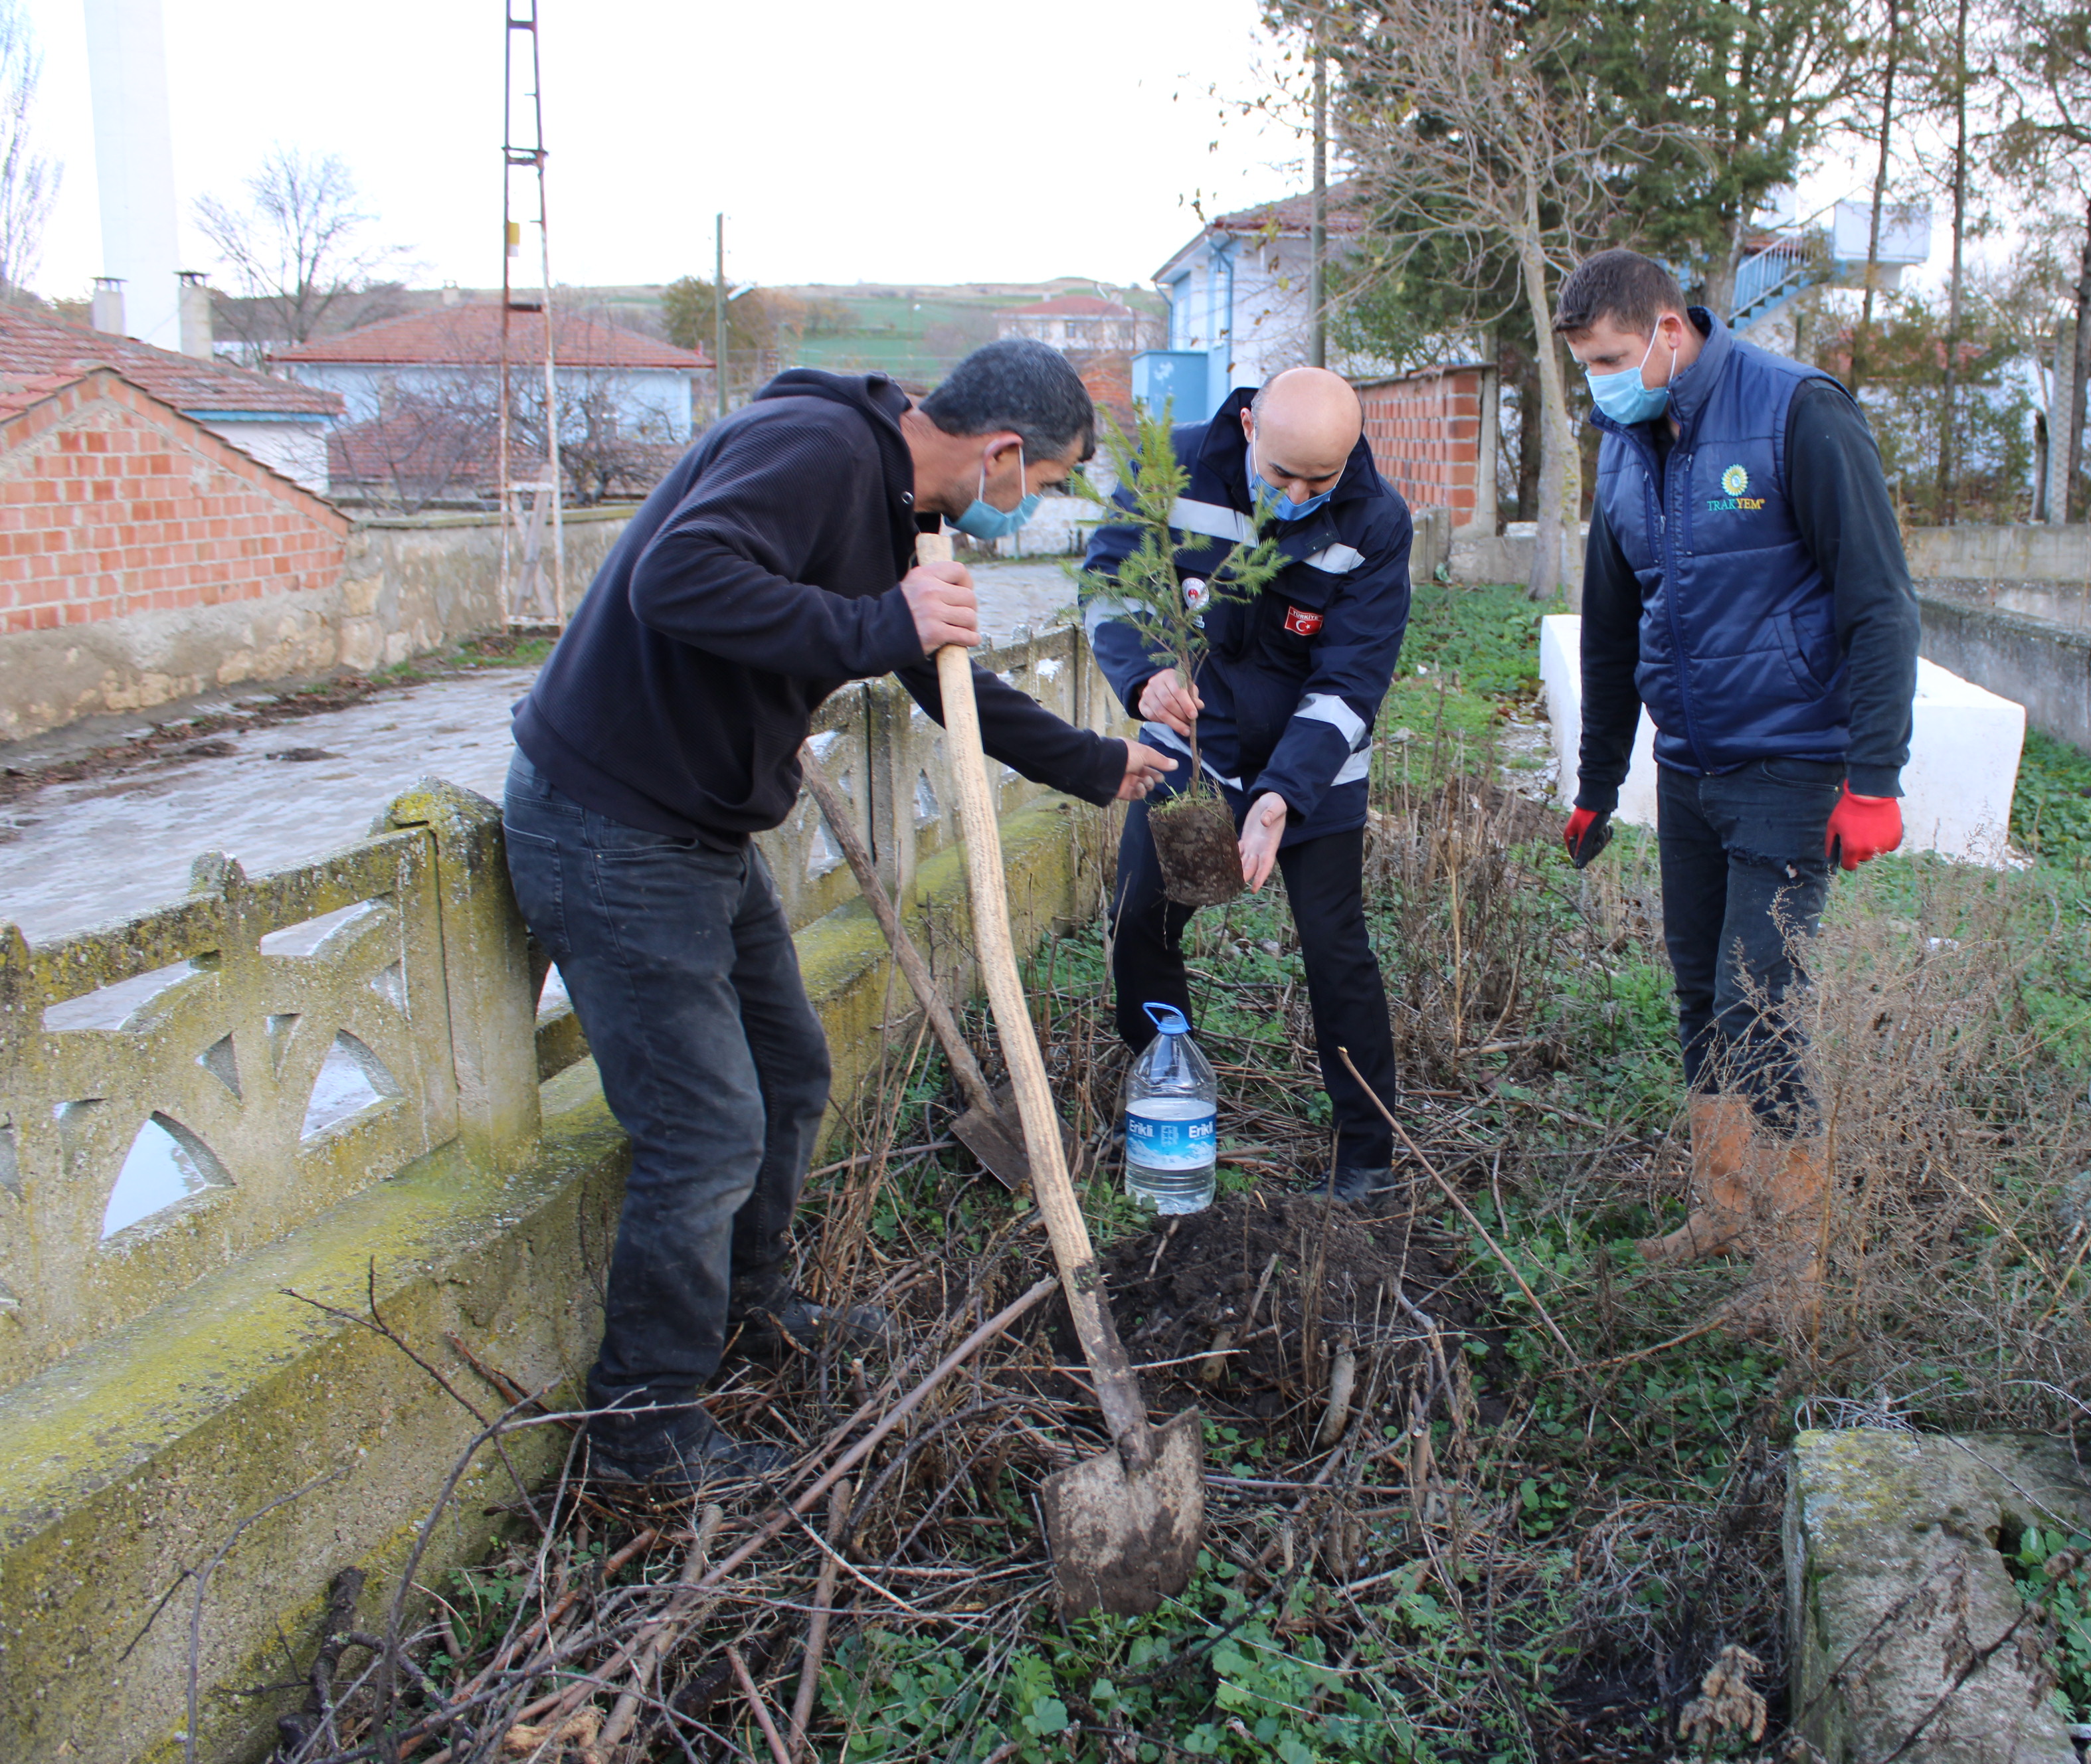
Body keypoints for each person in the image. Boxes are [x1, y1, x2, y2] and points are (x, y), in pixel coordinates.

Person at [503, 339, 1175, 1489]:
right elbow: (679, 578)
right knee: (704, 1126)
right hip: (611, 827)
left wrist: (1091, 761)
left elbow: (935, 672)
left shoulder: (897, 504)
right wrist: (881, 627)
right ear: (1000, 452)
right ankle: (641, 1429)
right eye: (1045, 483)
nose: (1031, 506)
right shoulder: (813, 449)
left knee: (790, 1071)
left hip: (700, 827)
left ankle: (752, 1307)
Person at [1553, 250, 1918, 1324]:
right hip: (1688, 770)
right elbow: (1612, 633)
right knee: (1695, 1002)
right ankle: (1715, 1210)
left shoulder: (1795, 413)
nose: (1601, 384)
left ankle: (1791, 1271)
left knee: (1759, 1012)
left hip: (1791, 765)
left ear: (1671, 330)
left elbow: (1877, 602)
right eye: (1585, 367)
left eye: (1613, 359)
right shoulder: (1625, 449)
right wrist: (1596, 782)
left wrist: (1875, 778)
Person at [1081, 368, 1413, 1202]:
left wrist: (1281, 796)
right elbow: (1106, 585)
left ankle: (1366, 1156)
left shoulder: (1375, 520)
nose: (1298, 495)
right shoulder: (1176, 473)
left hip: (1316, 766)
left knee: (1337, 951)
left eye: (1319, 481)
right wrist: (1143, 676)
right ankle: (1171, 1095)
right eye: (1281, 476)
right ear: (1248, 425)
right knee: (1143, 921)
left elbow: (1352, 679)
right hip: (1192, 750)